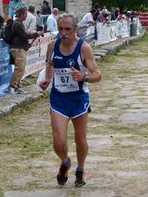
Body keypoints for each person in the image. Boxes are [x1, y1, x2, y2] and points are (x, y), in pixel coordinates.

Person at [39, 13, 101, 187]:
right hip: (58, 98)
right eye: (60, 29)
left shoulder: (84, 48)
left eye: (67, 29)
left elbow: (97, 75)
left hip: (78, 99)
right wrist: (47, 80)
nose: (63, 33)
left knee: (80, 139)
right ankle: (65, 161)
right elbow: (50, 64)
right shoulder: (52, 45)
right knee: (58, 142)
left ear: (75, 30)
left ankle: (80, 169)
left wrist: (84, 77)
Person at [8, 7, 43, 94]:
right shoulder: (17, 24)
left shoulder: (19, 23)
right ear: (22, 14)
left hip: (21, 48)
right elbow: (25, 35)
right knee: (19, 68)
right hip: (18, 48)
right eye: (25, 14)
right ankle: (13, 86)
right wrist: (36, 34)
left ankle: (17, 85)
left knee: (22, 68)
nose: (27, 16)